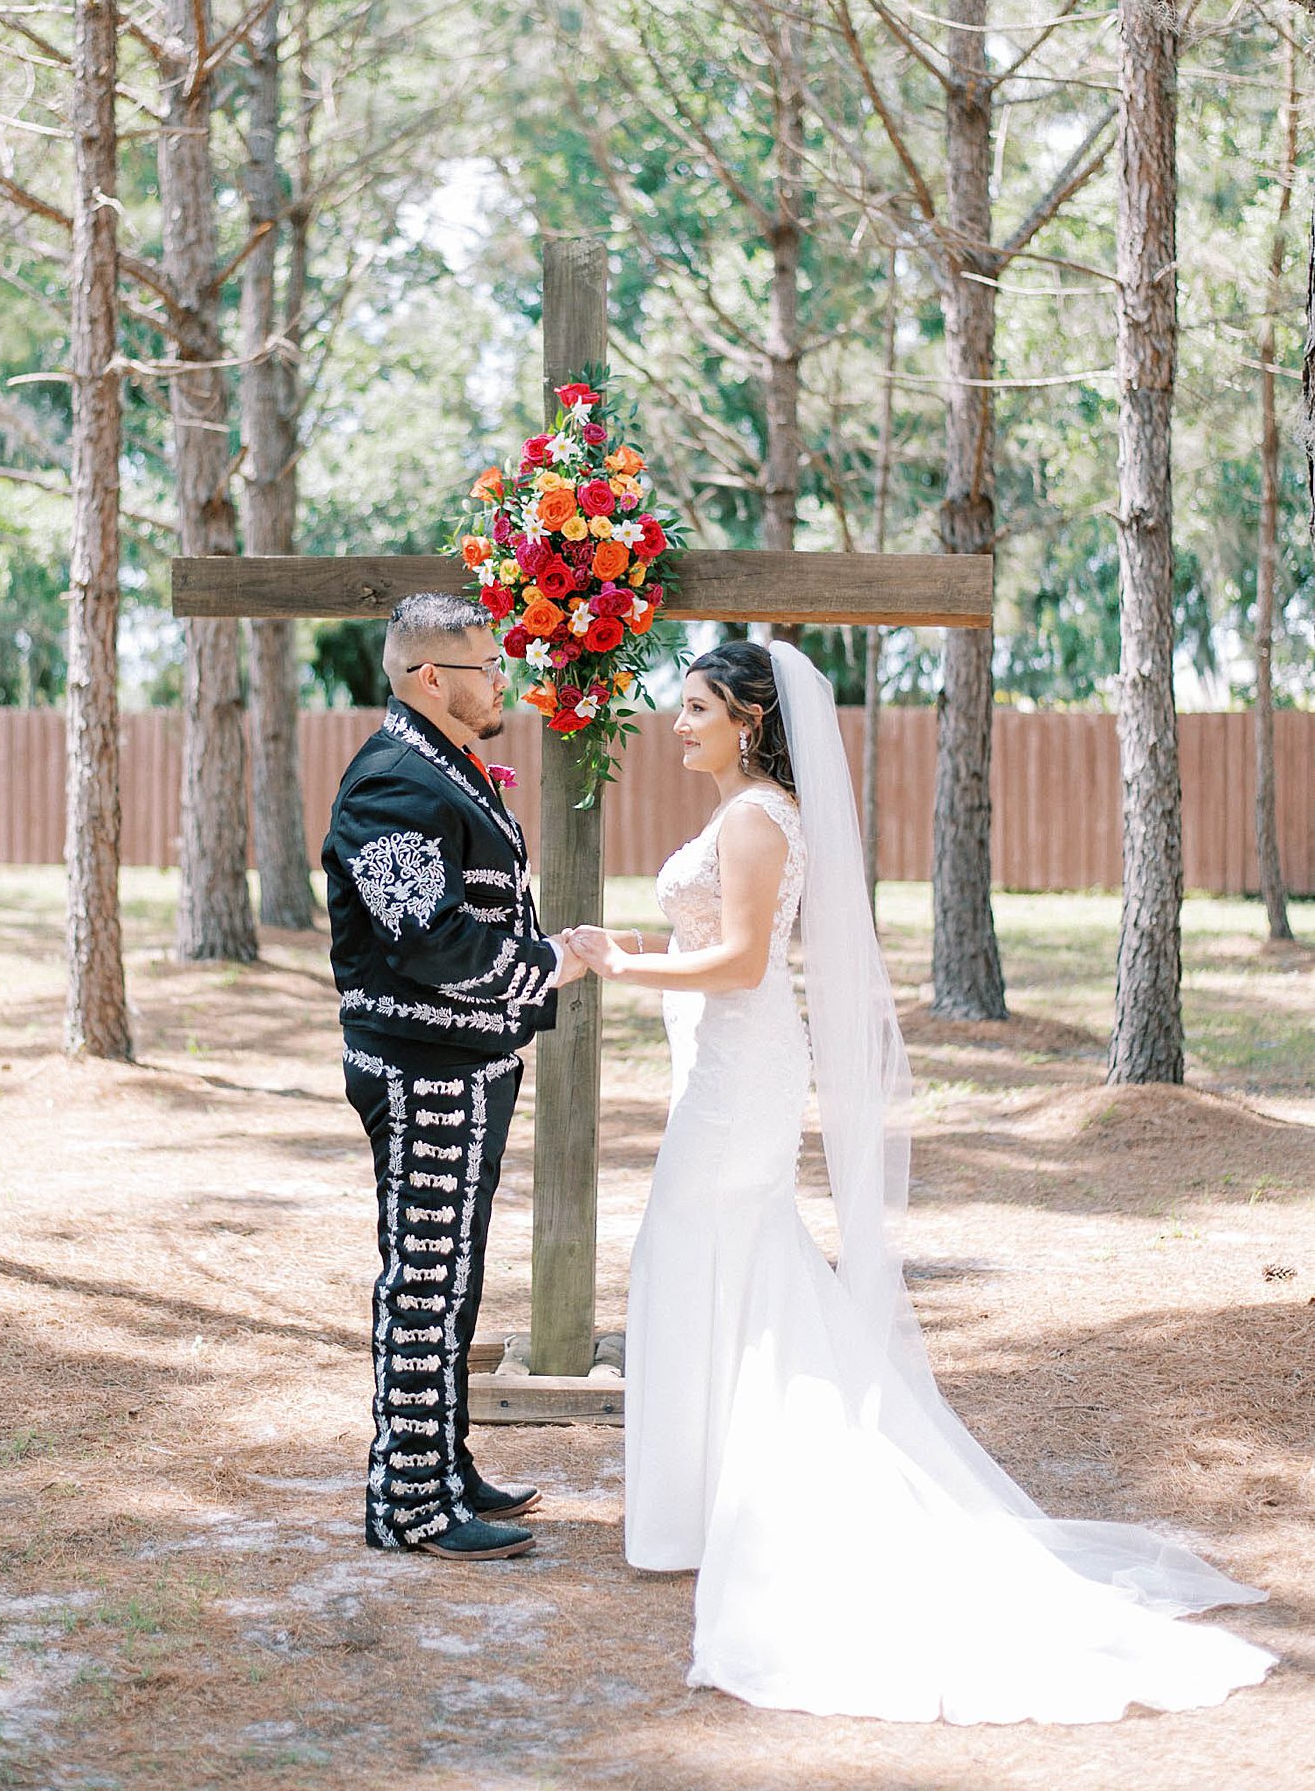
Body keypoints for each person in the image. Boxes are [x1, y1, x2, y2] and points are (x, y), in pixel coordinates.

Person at [566, 640, 1274, 1722]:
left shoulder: (756, 818)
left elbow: (747, 961)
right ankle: (707, 1499)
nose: (679, 724)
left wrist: (623, 961)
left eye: (698, 708)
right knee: (724, 1259)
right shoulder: (749, 812)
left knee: (700, 1252)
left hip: (739, 1066)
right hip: (721, 1063)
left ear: (752, 718)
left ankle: (728, 1503)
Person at [323, 593, 585, 1563]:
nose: (501, 679)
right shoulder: (391, 781)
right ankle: (409, 1504)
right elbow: (429, 941)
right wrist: (556, 959)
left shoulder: (441, 765)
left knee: (453, 1279)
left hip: (464, 1062)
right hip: (422, 1065)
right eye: (486, 664)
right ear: (431, 677)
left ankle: (444, 1461)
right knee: (423, 1280)